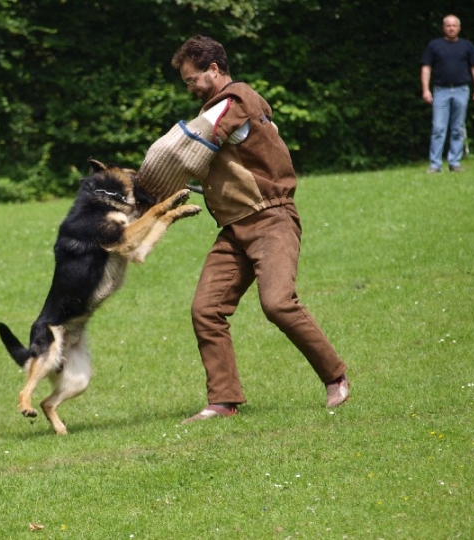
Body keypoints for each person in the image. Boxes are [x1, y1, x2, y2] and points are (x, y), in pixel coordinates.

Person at [137, 35, 349, 423]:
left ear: (214, 70)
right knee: (206, 310)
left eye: (191, 79)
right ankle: (223, 401)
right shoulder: (228, 107)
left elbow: (181, 148)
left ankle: (335, 376)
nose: (189, 87)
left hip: (272, 219)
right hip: (235, 229)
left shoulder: (233, 103)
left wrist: (144, 185)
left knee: (278, 303)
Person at [421, 14, 474, 173]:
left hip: (462, 90)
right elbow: (426, 67)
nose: (451, 28)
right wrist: (426, 90)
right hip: (441, 91)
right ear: (443, 28)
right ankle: (435, 164)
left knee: (458, 128)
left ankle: (454, 162)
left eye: (454, 25)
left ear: (459, 28)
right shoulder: (434, 45)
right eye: (448, 25)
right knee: (438, 128)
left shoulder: (467, 46)